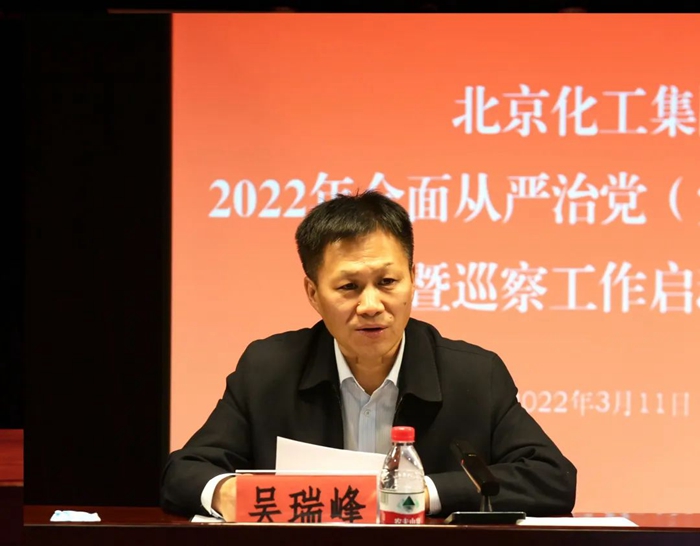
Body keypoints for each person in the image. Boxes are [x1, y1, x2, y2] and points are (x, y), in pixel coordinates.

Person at [161, 190, 576, 520]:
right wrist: (227, 493)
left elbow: (552, 478)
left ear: (413, 279)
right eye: (349, 287)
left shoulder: (473, 375)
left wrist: (420, 493)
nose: (371, 305)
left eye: (387, 282)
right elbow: (184, 471)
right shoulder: (269, 369)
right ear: (313, 294)